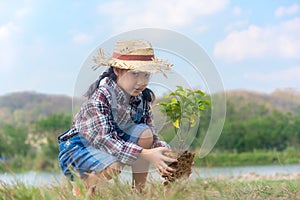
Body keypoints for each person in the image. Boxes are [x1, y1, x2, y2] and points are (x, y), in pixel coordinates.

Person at [57, 40, 177, 194]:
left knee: (145, 133)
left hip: (113, 146)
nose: (141, 82)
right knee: (115, 166)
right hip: (78, 149)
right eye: (134, 73)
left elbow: (152, 138)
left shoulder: (141, 99)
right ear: (117, 71)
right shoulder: (101, 97)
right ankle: (84, 186)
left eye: (146, 74)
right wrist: (147, 154)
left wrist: (167, 155)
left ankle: (138, 193)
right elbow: (106, 141)